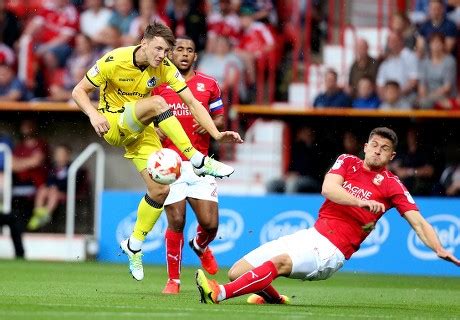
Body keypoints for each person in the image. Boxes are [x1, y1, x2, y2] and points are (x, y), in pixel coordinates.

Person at [195, 127, 460, 305]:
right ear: (365, 146)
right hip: (311, 235)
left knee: (278, 263)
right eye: (374, 145)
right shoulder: (347, 161)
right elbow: (328, 189)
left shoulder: (392, 185)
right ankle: (274, 299)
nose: (377, 150)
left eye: (385, 148)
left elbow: (418, 221)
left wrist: (438, 248)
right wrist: (361, 201)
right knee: (238, 272)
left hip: (331, 251)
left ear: (392, 155)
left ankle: (218, 294)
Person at [72, 22, 243, 281]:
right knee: (158, 102)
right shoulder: (113, 59)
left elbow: (193, 103)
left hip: (141, 133)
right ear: (144, 42)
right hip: (113, 123)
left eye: (166, 51)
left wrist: (217, 134)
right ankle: (197, 159)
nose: (162, 56)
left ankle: (134, 243)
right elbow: (79, 91)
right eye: (159, 49)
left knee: (160, 190)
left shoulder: (163, 68)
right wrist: (93, 114)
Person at [153, 36, 224, 294]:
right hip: (169, 164)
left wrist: (212, 125)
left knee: (210, 224)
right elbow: (143, 113)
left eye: (190, 50)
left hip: (200, 162)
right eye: (180, 49)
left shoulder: (209, 84)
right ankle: (174, 280)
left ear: (195, 56)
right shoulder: (158, 83)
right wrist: (154, 128)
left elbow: (219, 117)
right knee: (177, 220)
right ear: (171, 54)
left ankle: (201, 245)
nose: (184, 54)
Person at [27, 144, 72, 230]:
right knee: (42, 189)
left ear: (67, 156)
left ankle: (46, 213)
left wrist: (57, 187)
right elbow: (49, 180)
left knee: (53, 193)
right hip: (52, 190)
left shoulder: (72, 168)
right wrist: (51, 186)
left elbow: (72, 183)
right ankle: (38, 212)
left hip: (64, 191)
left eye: (61, 154)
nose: (59, 157)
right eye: (57, 154)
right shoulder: (52, 167)